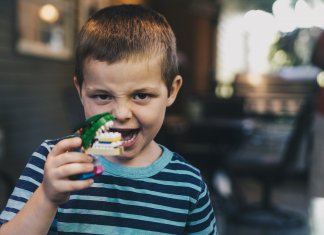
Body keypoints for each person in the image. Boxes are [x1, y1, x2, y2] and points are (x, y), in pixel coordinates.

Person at [0, 4, 218, 234]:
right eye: (102, 96)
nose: (121, 114)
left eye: (141, 95)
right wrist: (46, 197)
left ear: (172, 91)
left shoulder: (188, 185)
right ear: (81, 91)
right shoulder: (53, 163)